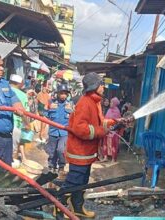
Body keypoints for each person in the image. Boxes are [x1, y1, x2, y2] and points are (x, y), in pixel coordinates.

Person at [60, 72, 120, 218]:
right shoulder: (85, 103)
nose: (104, 87)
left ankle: (77, 209)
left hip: (87, 152)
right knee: (73, 182)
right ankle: (59, 208)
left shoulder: (95, 101)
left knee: (82, 183)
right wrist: (100, 132)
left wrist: (117, 121)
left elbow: (100, 122)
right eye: (101, 84)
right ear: (95, 86)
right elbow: (80, 128)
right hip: (79, 152)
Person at [44, 84, 73, 179]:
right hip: (53, 131)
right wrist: (42, 130)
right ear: (57, 94)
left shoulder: (71, 104)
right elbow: (45, 116)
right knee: (52, 151)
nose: (63, 95)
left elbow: (75, 118)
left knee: (61, 150)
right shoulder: (50, 103)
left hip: (65, 132)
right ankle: (51, 167)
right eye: (61, 93)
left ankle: (61, 167)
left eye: (65, 94)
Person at [9, 74, 30, 162]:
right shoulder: (23, 95)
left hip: (1, 123)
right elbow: (24, 112)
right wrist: (27, 124)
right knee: (14, 149)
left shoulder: (3, 90)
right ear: (20, 84)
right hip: (16, 124)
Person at [101, 97, 122, 163]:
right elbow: (105, 118)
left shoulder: (117, 111)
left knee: (113, 144)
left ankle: (113, 158)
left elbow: (118, 122)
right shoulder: (109, 110)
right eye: (110, 102)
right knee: (105, 143)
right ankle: (105, 157)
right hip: (107, 129)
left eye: (111, 102)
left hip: (113, 131)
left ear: (115, 103)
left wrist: (112, 127)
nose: (110, 103)